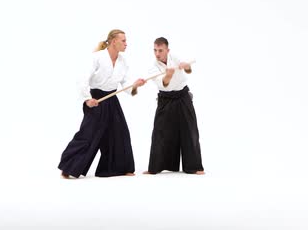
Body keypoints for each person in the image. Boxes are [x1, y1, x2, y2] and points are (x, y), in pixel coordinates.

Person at [58, 29, 146, 179]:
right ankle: (69, 168)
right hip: (96, 99)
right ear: (113, 42)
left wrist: (135, 85)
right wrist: (87, 99)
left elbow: (125, 83)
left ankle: (120, 167)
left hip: (112, 100)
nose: (126, 44)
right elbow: (83, 79)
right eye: (123, 41)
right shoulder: (97, 58)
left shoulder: (122, 61)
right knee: (89, 134)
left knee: (120, 133)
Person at [143, 37, 205, 175]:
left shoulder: (174, 57)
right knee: (160, 132)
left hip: (183, 96)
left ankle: (194, 166)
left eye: (160, 50)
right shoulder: (153, 68)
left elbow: (188, 71)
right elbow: (163, 84)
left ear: (167, 50)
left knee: (190, 130)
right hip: (166, 99)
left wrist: (186, 66)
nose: (157, 54)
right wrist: (168, 76)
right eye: (155, 50)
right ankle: (156, 166)